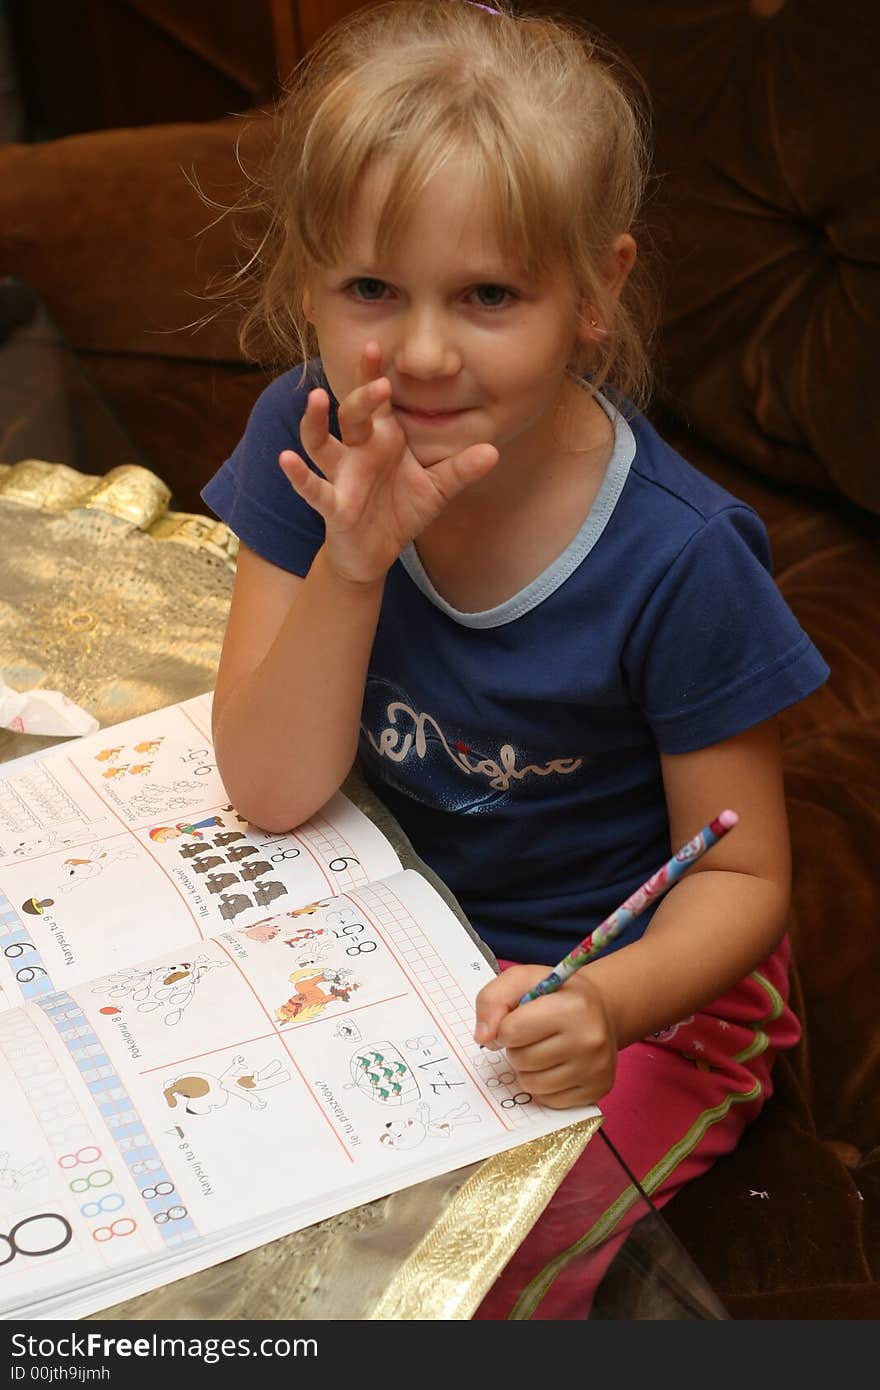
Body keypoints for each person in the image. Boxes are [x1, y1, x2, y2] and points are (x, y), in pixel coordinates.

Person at [201, 0, 829, 1317]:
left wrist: (608, 999)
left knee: (458, 1281)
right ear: (308, 281)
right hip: (404, 934)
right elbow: (270, 785)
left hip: (640, 989)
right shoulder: (300, 436)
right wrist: (352, 561)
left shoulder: (683, 558)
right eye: (372, 289)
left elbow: (750, 871)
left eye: (488, 295)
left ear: (594, 293)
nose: (420, 353)